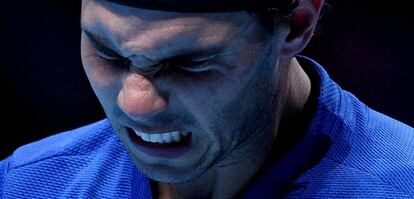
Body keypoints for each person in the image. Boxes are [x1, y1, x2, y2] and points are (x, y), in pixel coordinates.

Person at [1, 0, 413, 198]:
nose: (135, 104)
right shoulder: (22, 185)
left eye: (189, 63)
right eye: (107, 53)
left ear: (297, 25)